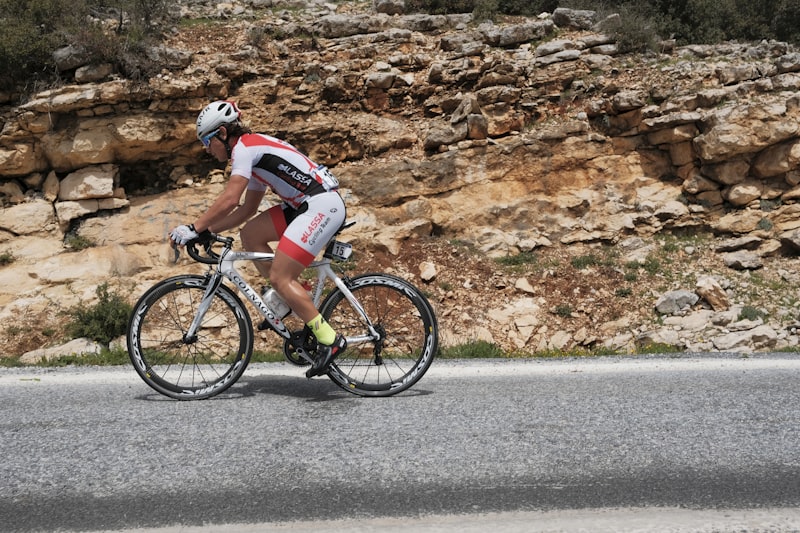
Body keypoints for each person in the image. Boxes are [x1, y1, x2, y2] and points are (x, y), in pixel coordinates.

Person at [169, 100, 347, 377]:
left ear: (223, 134)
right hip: (304, 205)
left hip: (321, 205)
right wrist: (208, 232)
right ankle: (291, 298)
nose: (206, 148)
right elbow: (247, 210)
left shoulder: (245, 149)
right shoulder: (251, 152)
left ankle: (330, 340)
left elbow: (230, 199)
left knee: (280, 278)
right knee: (250, 235)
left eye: (207, 140)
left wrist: (193, 227)